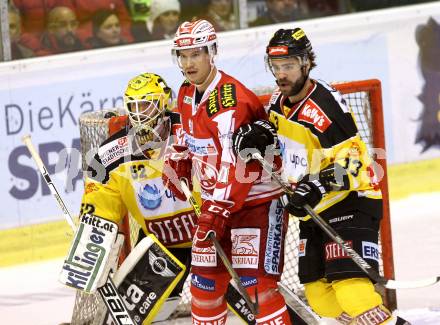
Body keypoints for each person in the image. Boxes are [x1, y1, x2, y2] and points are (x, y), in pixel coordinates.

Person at [232, 27, 411, 325]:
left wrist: (316, 184)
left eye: (288, 66)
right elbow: (284, 139)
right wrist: (262, 135)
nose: (281, 74)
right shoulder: (279, 100)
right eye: (275, 67)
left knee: (352, 291)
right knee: (322, 299)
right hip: (314, 209)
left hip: (351, 201)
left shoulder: (325, 106)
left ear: (306, 63)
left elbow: (355, 163)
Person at [166, 19, 292, 324]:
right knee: (204, 289)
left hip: (256, 206)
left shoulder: (230, 101)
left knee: (257, 290)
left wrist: (215, 211)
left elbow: (233, 165)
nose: (188, 63)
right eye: (182, 56)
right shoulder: (185, 92)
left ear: (212, 52)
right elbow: (184, 132)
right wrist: (178, 159)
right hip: (217, 208)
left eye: (196, 54)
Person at [80, 72, 197, 322]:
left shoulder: (191, 130)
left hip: (208, 234)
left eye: (146, 104)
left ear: (163, 103)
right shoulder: (113, 152)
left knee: (247, 296)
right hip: (159, 244)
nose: (139, 113)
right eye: (133, 106)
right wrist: (92, 236)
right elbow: (100, 195)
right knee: (139, 317)